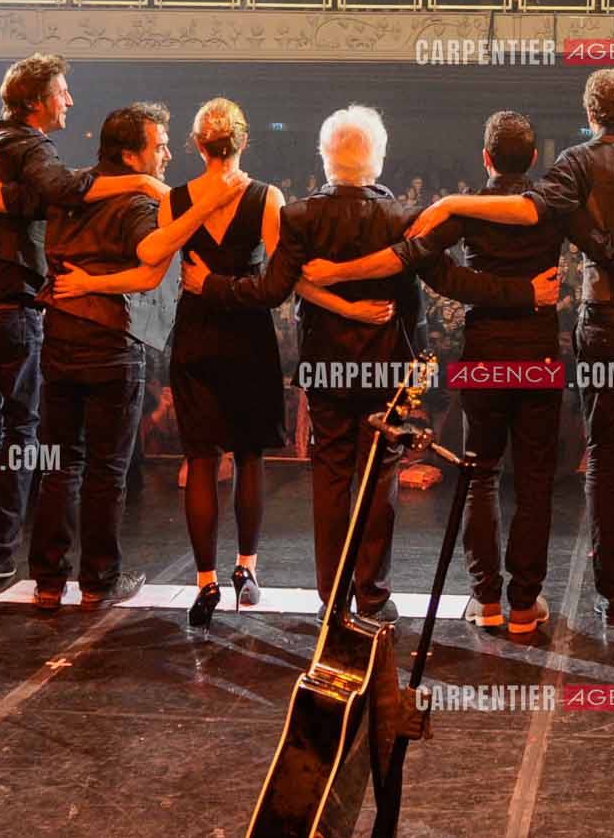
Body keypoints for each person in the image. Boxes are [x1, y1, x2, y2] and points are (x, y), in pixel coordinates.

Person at [302, 110, 614, 635]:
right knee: (535, 483)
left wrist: (335, 274)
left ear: (486, 159)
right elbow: (610, 253)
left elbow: (414, 261)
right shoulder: (553, 205)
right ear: (533, 160)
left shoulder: (469, 211)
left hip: (481, 358)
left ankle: (488, 600)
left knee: (479, 478)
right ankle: (524, 606)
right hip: (538, 361)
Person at [190, 106, 553, 621]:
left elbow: (270, 289)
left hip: (326, 369)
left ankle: (332, 600)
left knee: (331, 477)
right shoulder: (403, 219)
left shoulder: (298, 217)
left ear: (325, 158)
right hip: (388, 371)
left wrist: (210, 284)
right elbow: (450, 281)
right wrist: (525, 293)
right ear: (379, 159)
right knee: (379, 480)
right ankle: (373, 597)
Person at [59, 98, 386, 629]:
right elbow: (287, 283)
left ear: (194, 144)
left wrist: (88, 283)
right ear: (244, 141)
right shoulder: (267, 197)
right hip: (248, 334)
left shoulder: (177, 201)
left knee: (203, 461)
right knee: (250, 457)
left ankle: (205, 582)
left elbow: (146, 275)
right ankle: (246, 571)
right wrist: (349, 305)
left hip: (196, 336)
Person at [408, 69, 614, 622]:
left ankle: (542, 597)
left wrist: (453, 204)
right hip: (602, 340)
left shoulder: (555, 175)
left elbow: (440, 254)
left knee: (517, 470)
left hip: (554, 340)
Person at [0, 53, 183, 599]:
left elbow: (14, 198)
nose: (69, 100)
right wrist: (142, 185)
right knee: (26, 436)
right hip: (7, 303)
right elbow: (63, 190)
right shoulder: (31, 147)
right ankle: (0, 561)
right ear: (37, 100)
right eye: (63, 92)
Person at [28, 102, 238, 611]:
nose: (167, 153)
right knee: (105, 470)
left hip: (58, 338)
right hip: (109, 345)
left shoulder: (73, 189)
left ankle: (48, 583)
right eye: (159, 144)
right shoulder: (138, 206)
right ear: (130, 153)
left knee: (59, 464)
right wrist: (204, 209)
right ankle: (99, 580)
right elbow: (148, 261)